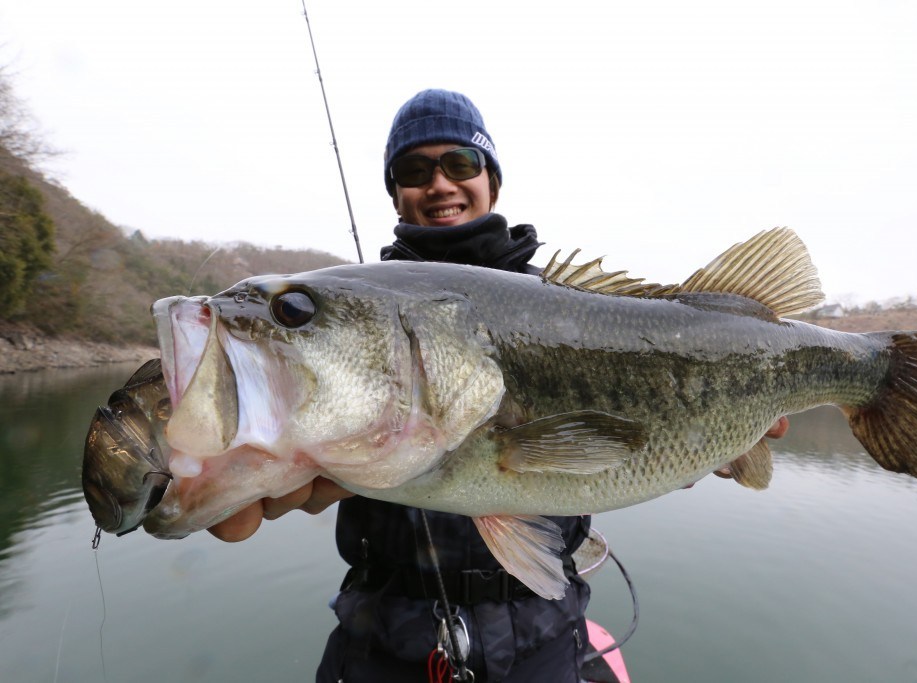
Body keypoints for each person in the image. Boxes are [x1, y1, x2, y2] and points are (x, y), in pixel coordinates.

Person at [209, 89, 790, 682]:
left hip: (540, 632)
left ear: (492, 179)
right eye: (414, 169)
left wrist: (713, 434)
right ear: (395, 192)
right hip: (381, 634)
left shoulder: (574, 303)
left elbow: (623, 441)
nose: (439, 183)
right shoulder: (356, 311)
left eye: (461, 163)